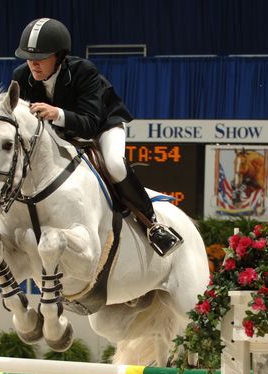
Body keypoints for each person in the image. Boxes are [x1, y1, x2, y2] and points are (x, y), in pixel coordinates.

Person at [13, 17, 182, 257]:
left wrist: (57, 113)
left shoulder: (84, 71)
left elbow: (89, 125)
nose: (33, 64)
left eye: (40, 58)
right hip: (60, 133)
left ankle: (152, 224)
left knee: (114, 165)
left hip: (102, 125)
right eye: (29, 58)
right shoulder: (21, 76)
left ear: (59, 56)